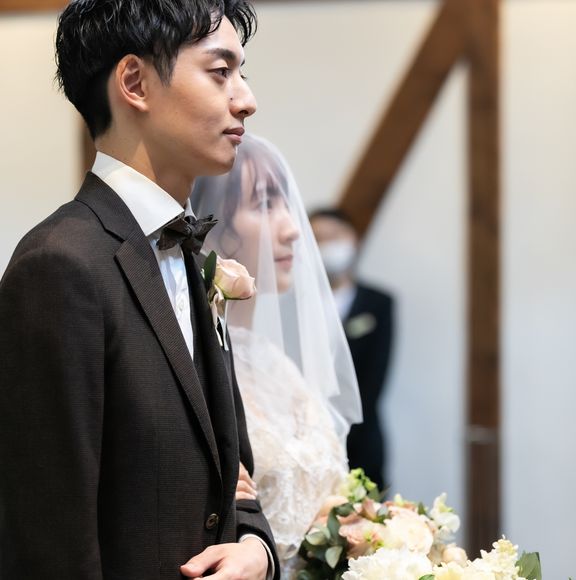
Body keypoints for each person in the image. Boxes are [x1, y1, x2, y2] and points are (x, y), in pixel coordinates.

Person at [0, 2, 279, 579]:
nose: (247, 100)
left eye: (243, 73)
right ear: (134, 83)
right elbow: (48, 539)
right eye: (220, 71)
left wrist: (258, 548)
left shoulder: (192, 252)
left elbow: (233, 472)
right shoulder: (61, 264)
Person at [191, 135, 362, 578]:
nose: (293, 228)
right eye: (265, 204)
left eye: (287, 203)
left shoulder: (273, 362)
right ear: (209, 223)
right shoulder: (194, 364)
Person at [309, 208, 395, 491]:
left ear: (353, 239)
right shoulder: (294, 304)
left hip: (363, 437)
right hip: (308, 437)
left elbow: (375, 375)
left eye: (334, 237)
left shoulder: (378, 303)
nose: (327, 245)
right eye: (318, 238)